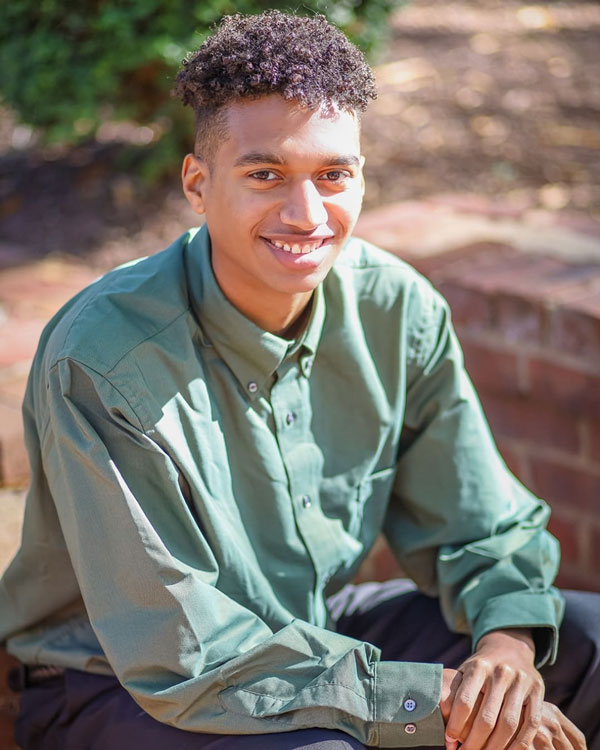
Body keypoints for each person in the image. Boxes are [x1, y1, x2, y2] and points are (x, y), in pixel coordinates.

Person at [0, 10, 598, 750]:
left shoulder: (396, 309)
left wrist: (505, 660)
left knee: (584, 644)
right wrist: (426, 698)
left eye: (333, 175)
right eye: (265, 174)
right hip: (118, 685)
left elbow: (480, 525)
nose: (306, 213)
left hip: (307, 632)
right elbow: (184, 650)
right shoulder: (103, 361)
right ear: (197, 182)